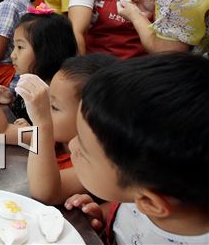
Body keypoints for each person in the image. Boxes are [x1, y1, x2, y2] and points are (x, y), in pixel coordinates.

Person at [65, 53, 209, 243]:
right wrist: (104, 220)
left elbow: (46, 191)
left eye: (84, 151)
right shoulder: (149, 189)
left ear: (149, 203)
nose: (71, 145)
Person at [16, 54, 118, 206]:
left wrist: (41, 124)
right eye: (47, 101)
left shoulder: (97, 162)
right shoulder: (55, 136)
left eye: (54, 107)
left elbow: (44, 193)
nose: (47, 111)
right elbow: (1, 133)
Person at [0, 10, 77, 145]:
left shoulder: (53, 97)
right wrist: (12, 99)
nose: (13, 55)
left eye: (20, 47)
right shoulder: (33, 82)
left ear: (46, 51)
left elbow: (1, 133)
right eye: (14, 46)